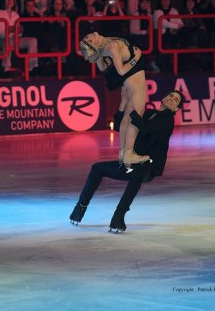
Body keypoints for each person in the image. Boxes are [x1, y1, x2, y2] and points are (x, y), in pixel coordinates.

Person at [69, 90, 185, 232]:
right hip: (132, 162)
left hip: (148, 166)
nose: (172, 99)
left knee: (138, 172)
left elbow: (146, 128)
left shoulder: (168, 120)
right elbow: (120, 127)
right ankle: (80, 207)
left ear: (176, 109)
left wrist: (132, 110)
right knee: (97, 168)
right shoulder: (148, 113)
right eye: (170, 96)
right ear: (163, 97)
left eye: (176, 100)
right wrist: (122, 109)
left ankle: (119, 215)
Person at [79, 31, 149, 168]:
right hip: (134, 79)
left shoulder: (104, 45)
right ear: (93, 45)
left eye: (87, 37)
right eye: (88, 38)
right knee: (136, 117)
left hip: (129, 81)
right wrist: (137, 57)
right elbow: (121, 71)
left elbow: (102, 66)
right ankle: (129, 153)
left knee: (128, 116)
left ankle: (123, 153)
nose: (89, 35)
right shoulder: (110, 46)